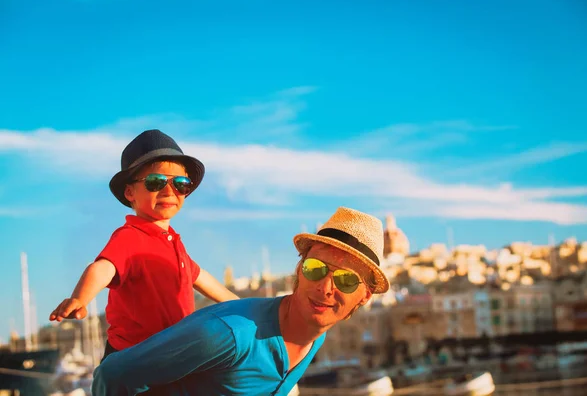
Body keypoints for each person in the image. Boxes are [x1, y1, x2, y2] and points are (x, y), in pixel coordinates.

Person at [91, 206, 391, 396]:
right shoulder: (228, 334)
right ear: (299, 269)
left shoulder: (314, 335)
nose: (325, 288)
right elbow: (112, 375)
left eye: (346, 280)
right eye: (316, 269)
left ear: (363, 296)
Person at [49, 129, 239, 361]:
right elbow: (103, 268)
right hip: (133, 357)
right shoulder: (130, 237)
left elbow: (204, 281)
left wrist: (248, 307)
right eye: (156, 182)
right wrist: (80, 298)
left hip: (170, 352)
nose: (169, 190)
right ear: (130, 192)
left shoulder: (174, 244)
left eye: (180, 183)